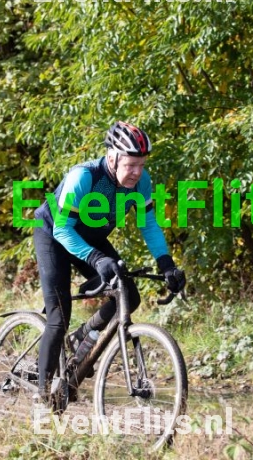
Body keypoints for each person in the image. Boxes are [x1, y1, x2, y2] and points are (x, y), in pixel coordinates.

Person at [32, 121, 186, 402]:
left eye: (142, 165)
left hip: (90, 236)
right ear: (112, 157)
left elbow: (149, 225)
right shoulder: (84, 177)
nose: (137, 172)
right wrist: (96, 258)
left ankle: (84, 335)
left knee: (129, 295)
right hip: (54, 233)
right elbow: (63, 229)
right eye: (131, 165)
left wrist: (167, 264)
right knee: (59, 317)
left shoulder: (141, 182)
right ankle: (43, 398)